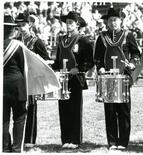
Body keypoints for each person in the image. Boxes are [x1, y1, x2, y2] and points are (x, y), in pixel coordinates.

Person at [94, 7, 141, 150]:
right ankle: (112, 142)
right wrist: (100, 67)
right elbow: (97, 58)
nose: (113, 23)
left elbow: (136, 53)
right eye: (110, 20)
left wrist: (132, 63)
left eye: (115, 20)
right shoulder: (102, 37)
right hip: (108, 78)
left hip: (124, 77)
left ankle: (123, 142)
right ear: (107, 22)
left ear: (120, 21)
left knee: (124, 110)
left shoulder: (128, 35)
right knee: (110, 110)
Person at [51, 11, 94, 149]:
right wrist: (50, 67)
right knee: (63, 109)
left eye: (71, 23)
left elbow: (90, 61)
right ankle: (65, 139)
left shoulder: (83, 40)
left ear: (77, 24)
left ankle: (75, 140)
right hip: (62, 79)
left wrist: (80, 68)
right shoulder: (61, 40)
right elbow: (57, 61)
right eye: (67, 22)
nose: (68, 25)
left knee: (75, 109)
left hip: (75, 79)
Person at [15, 12, 51, 148]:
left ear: (29, 25)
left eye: (23, 25)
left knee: (31, 110)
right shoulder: (15, 40)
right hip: (17, 80)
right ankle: (18, 140)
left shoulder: (37, 41)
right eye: (18, 26)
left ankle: (29, 141)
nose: (21, 28)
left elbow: (46, 60)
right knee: (18, 110)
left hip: (31, 80)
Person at [3, 15, 27, 153]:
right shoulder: (17, 46)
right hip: (17, 85)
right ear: (12, 30)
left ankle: (4, 147)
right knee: (19, 116)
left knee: (3, 118)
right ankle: (17, 148)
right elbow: (24, 67)